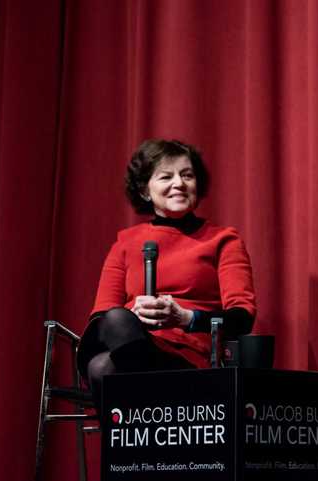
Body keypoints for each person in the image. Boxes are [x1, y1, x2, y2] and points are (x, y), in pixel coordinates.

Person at [77, 139, 257, 413]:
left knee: (103, 368)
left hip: (190, 358)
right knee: (112, 331)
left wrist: (186, 318)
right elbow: (100, 318)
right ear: (144, 190)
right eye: (166, 176)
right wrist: (134, 314)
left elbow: (242, 318)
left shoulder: (223, 240)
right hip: (133, 345)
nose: (179, 184)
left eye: (187, 175)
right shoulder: (125, 244)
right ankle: (154, 442)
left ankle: (139, 451)